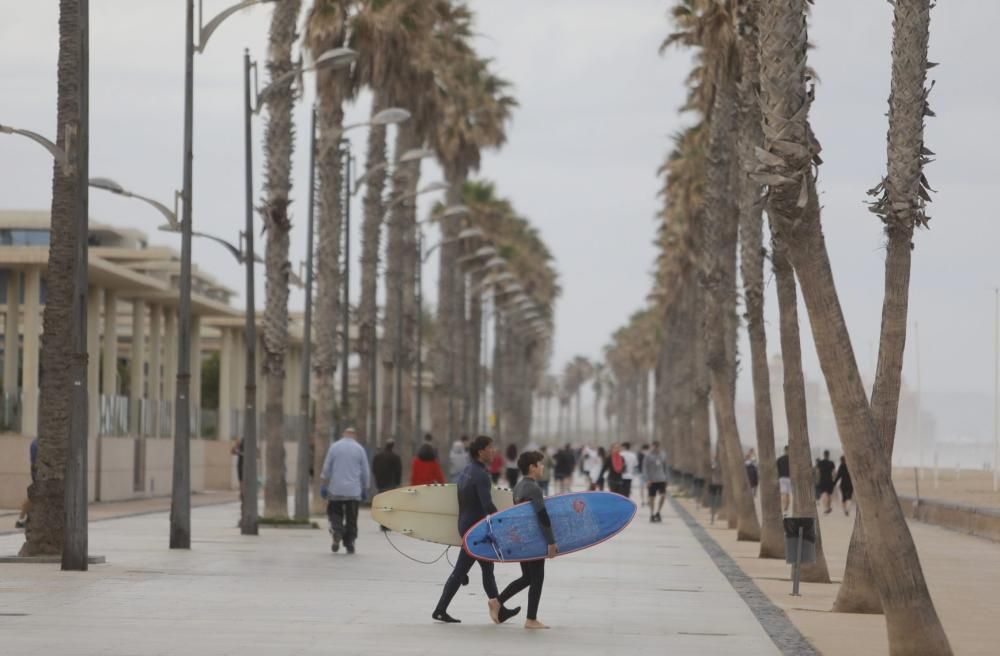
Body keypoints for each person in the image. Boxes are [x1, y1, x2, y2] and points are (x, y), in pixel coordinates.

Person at [432, 435, 520, 624]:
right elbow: (487, 504)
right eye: (490, 448)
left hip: (468, 525)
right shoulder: (480, 474)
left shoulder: (467, 471)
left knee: (487, 568)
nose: (494, 451)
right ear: (481, 452)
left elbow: (460, 500)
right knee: (461, 571)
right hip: (476, 531)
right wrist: (502, 524)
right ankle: (440, 609)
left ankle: (499, 609)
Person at [497, 451, 559, 629]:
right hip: (534, 540)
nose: (542, 467)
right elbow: (542, 516)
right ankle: (531, 619)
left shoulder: (518, 486)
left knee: (527, 577)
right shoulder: (534, 488)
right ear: (532, 467)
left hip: (522, 538)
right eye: (540, 464)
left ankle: (497, 601)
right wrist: (551, 542)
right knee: (537, 578)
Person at [320, 427, 371, 554]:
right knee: (352, 517)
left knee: (335, 513)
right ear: (354, 436)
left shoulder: (334, 447)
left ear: (343, 434)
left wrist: (323, 484)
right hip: (353, 491)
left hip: (335, 489)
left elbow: (326, 467)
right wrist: (365, 487)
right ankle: (350, 542)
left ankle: (337, 532)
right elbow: (365, 471)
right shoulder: (359, 449)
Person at [15, 437, 38, 530]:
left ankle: (23, 519)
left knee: (33, 496)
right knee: (32, 496)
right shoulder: (37, 443)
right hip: (38, 472)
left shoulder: (35, 442)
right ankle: (21, 519)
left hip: (37, 471)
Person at [643, 442, 668, 522]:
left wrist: (667, 479)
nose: (655, 448)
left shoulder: (663, 455)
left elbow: (665, 467)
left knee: (663, 496)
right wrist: (647, 480)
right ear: (651, 447)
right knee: (652, 498)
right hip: (652, 480)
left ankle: (658, 512)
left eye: (657, 447)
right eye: (654, 446)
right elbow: (645, 469)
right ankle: (652, 514)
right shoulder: (648, 456)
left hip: (661, 479)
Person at [817, 450, 836, 515]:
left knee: (824, 494)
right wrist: (834, 481)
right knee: (829, 494)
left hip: (822, 480)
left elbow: (818, 472)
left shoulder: (820, 463)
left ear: (824, 455)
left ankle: (826, 508)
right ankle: (828, 507)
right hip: (829, 480)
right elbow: (834, 473)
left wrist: (818, 480)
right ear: (828, 455)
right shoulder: (831, 463)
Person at [776, 446, 791, 514]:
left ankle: (785, 508)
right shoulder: (792, 459)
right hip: (790, 478)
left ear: (784, 450)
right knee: (787, 494)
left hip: (781, 478)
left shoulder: (779, 459)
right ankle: (787, 507)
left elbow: (776, 469)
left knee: (783, 493)